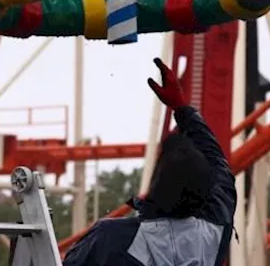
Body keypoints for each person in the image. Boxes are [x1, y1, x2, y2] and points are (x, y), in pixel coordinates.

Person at [62, 58, 236, 266]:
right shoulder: (215, 230)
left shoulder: (111, 237)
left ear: (156, 185)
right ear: (204, 189)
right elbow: (219, 163)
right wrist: (181, 108)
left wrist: (179, 106)